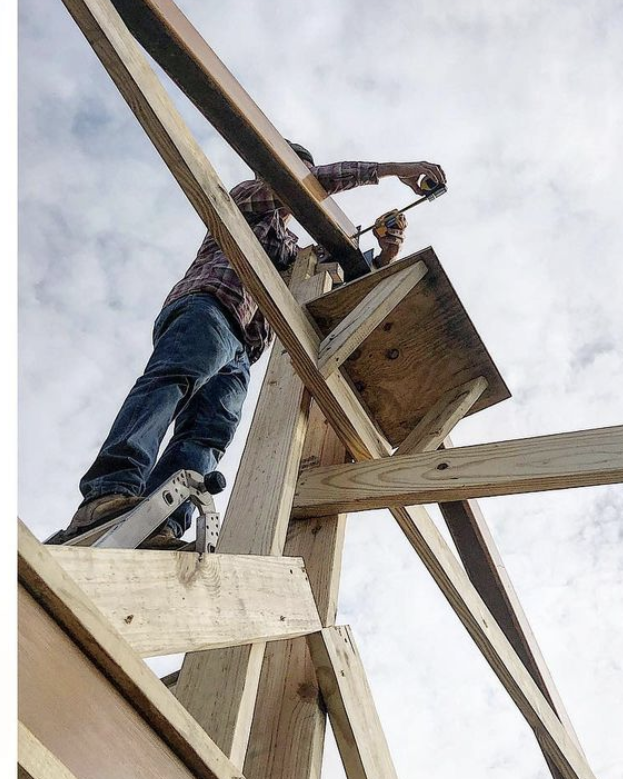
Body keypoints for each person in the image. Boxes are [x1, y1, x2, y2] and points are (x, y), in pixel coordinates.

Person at [53, 144, 446, 549]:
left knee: (208, 435)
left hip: (243, 347)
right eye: (295, 174)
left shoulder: (290, 248)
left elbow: (340, 278)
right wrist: (393, 169)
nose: (304, 185)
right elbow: (306, 186)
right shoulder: (248, 198)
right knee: (170, 383)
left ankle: (161, 525)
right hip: (209, 307)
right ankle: (107, 492)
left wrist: (384, 253)